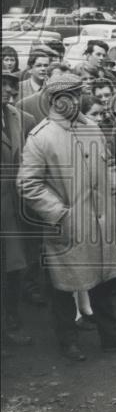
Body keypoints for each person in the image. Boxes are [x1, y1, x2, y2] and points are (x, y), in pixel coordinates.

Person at [17, 72, 116, 361]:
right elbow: (28, 184)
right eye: (70, 95)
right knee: (64, 287)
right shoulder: (41, 137)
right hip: (67, 226)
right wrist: (60, 214)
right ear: (54, 100)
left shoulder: (91, 126)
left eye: (78, 94)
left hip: (100, 222)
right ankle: (68, 342)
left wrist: (115, 192)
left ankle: (111, 337)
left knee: (103, 282)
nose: (77, 100)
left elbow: (110, 162)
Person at [1, 69, 34, 346]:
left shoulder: (20, 118)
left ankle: (11, 317)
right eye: (3, 85)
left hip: (14, 205)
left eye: (11, 85)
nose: (8, 90)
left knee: (15, 266)